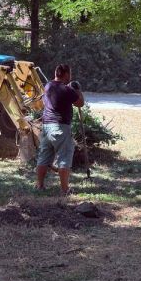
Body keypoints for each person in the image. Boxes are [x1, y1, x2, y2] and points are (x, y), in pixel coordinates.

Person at [36, 64, 84, 195]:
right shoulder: (66, 90)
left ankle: (39, 185)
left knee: (44, 157)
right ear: (66, 74)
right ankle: (65, 190)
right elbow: (80, 103)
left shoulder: (48, 86)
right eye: (70, 73)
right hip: (60, 127)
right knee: (64, 158)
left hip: (46, 127)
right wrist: (78, 89)